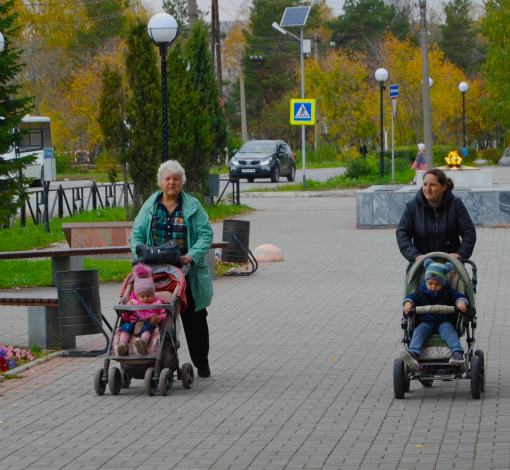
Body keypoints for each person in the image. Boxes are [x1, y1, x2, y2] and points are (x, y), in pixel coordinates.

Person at [130, 160, 214, 378]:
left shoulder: (193, 206)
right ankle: (153, 357)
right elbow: (136, 236)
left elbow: (206, 234)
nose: (171, 183)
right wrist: (142, 253)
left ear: (182, 182)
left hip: (186, 270)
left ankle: (201, 363)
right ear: (160, 182)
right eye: (167, 178)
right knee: (152, 314)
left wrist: (191, 256)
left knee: (195, 318)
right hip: (156, 272)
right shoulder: (150, 207)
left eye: (176, 179)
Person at [396, 168, 476, 264]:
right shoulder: (413, 206)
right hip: (422, 265)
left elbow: (469, 232)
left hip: (450, 266)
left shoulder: (455, 204)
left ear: (443, 187)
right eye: (425, 184)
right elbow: (402, 233)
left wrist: (461, 254)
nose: (428, 188)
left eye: (432, 185)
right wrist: (415, 255)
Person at [400, 259, 468, 369]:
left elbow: (459, 297)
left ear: (443, 283)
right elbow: (410, 298)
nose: (433, 286)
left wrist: (461, 302)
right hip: (426, 321)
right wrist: (408, 304)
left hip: (444, 321)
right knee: (418, 332)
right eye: (430, 283)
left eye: (437, 284)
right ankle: (413, 353)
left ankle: (457, 353)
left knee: (451, 333)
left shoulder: (448, 292)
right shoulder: (420, 292)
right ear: (425, 282)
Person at [118, 263, 166, 356]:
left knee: (147, 329)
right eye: (142, 296)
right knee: (126, 327)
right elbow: (125, 317)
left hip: (149, 322)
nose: (145, 298)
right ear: (137, 296)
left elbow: (164, 313)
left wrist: (160, 318)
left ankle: (143, 343)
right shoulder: (133, 303)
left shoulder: (157, 303)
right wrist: (127, 308)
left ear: (153, 295)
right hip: (134, 322)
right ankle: (122, 344)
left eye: (148, 296)